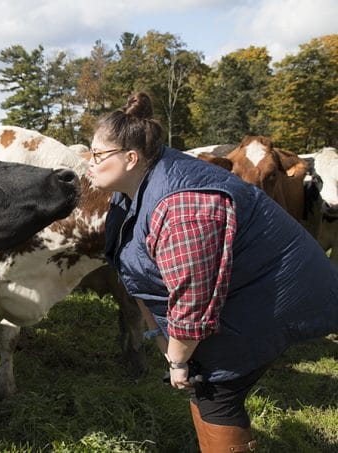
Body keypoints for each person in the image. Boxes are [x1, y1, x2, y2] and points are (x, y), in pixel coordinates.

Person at [86, 92, 338, 452]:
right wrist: (160, 334)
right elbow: (141, 274)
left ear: (131, 158)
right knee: (206, 384)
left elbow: (194, 299)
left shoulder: (185, 207)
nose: (88, 164)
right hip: (239, 290)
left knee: (215, 389)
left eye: (98, 155)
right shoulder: (133, 189)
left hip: (271, 295)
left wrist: (177, 359)